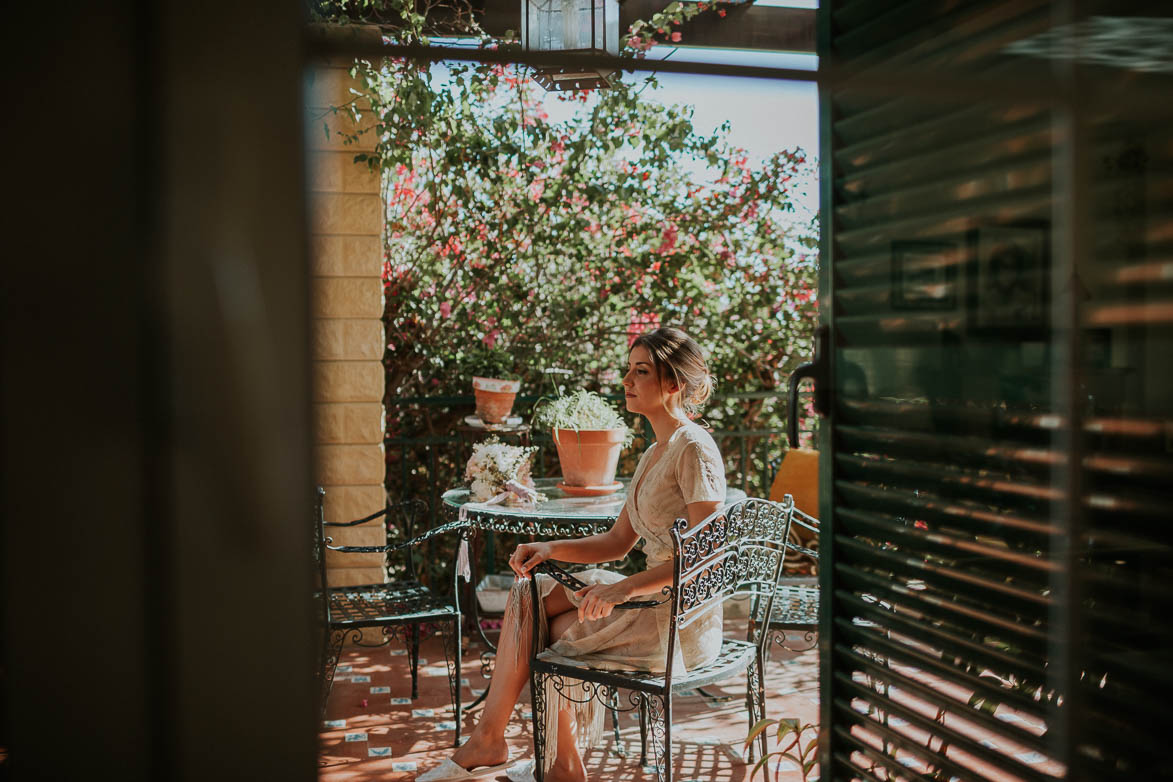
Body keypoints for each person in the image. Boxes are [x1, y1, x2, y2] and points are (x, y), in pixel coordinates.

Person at [418, 327, 727, 782]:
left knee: (551, 629)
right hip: (652, 599)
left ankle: (529, 753)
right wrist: (549, 548)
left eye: (641, 371)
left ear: (673, 384)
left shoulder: (694, 449)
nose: (627, 379)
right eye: (629, 368)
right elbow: (617, 542)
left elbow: (706, 557)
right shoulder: (655, 453)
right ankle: (516, 747)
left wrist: (621, 588)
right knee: (531, 590)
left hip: (678, 619)